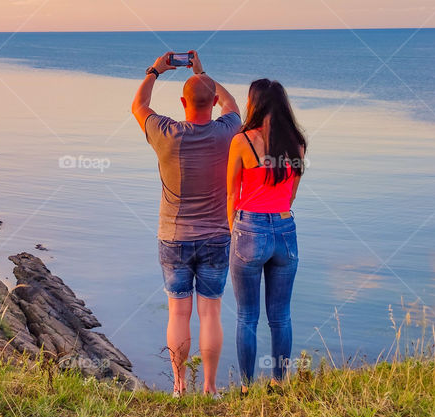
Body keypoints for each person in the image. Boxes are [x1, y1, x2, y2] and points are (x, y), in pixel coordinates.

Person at [132, 50, 241, 397]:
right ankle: (209, 388)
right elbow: (233, 104)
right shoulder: (228, 132)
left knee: (178, 314)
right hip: (216, 238)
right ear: (212, 103)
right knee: (211, 315)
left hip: (173, 238)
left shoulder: (166, 132)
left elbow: (138, 105)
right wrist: (203, 73)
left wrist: (156, 70)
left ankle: (179, 388)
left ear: (182, 102)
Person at [226, 78, 307, 394]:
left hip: (250, 229)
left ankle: (245, 388)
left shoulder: (242, 142)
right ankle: (278, 383)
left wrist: (235, 232)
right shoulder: (297, 144)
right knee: (281, 315)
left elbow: (232, 194)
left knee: (247, 316)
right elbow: (290, 198)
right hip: (285, 230)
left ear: (253, 104)